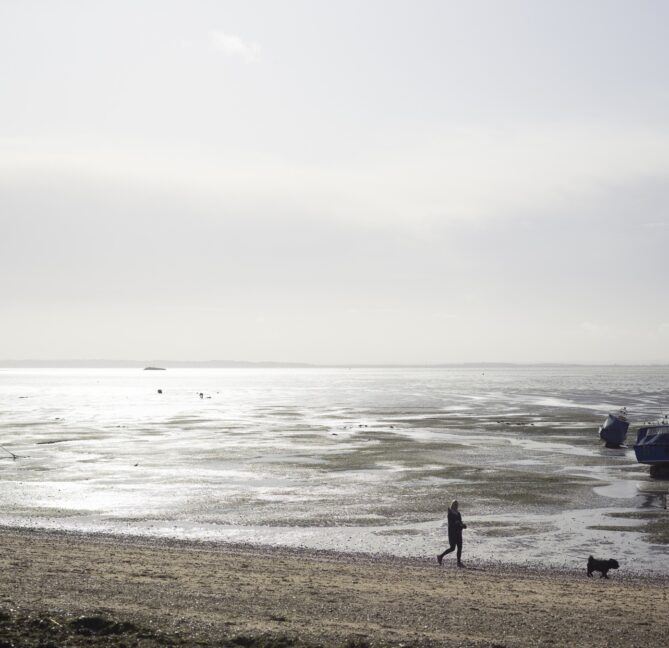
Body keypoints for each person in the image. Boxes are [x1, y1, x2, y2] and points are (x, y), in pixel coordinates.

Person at [437, 499, 467, 567]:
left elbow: (460, 522)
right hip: (452, 533)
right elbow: (451, 524)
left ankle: (458, 562)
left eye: (457, 504)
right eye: (455, 504)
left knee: (460, 547)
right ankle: (440, 556)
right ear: (452, 505)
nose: (456, 506)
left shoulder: (458, 513)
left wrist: (463, 525)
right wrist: (457, 524)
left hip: (459, 532)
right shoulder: (450, 513)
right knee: (452, 548)